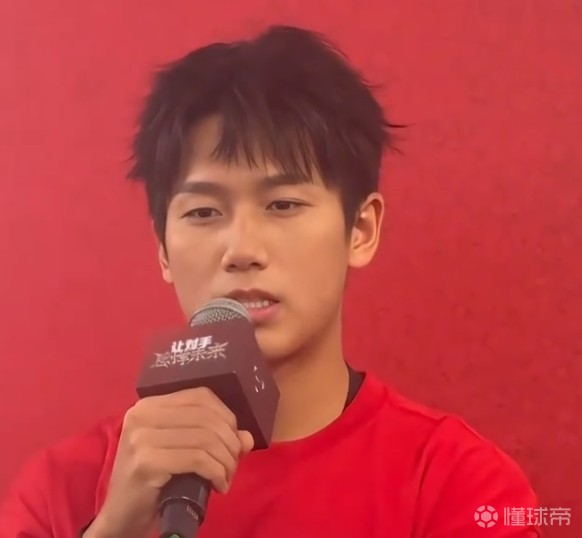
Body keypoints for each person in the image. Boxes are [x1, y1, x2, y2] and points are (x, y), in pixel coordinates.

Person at [0, 25, 540, 538]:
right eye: (204, 212)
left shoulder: (458, 485)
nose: (241, 250)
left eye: (283, 205)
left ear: (361, 230)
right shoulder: (61, 491)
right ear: (162, 248)